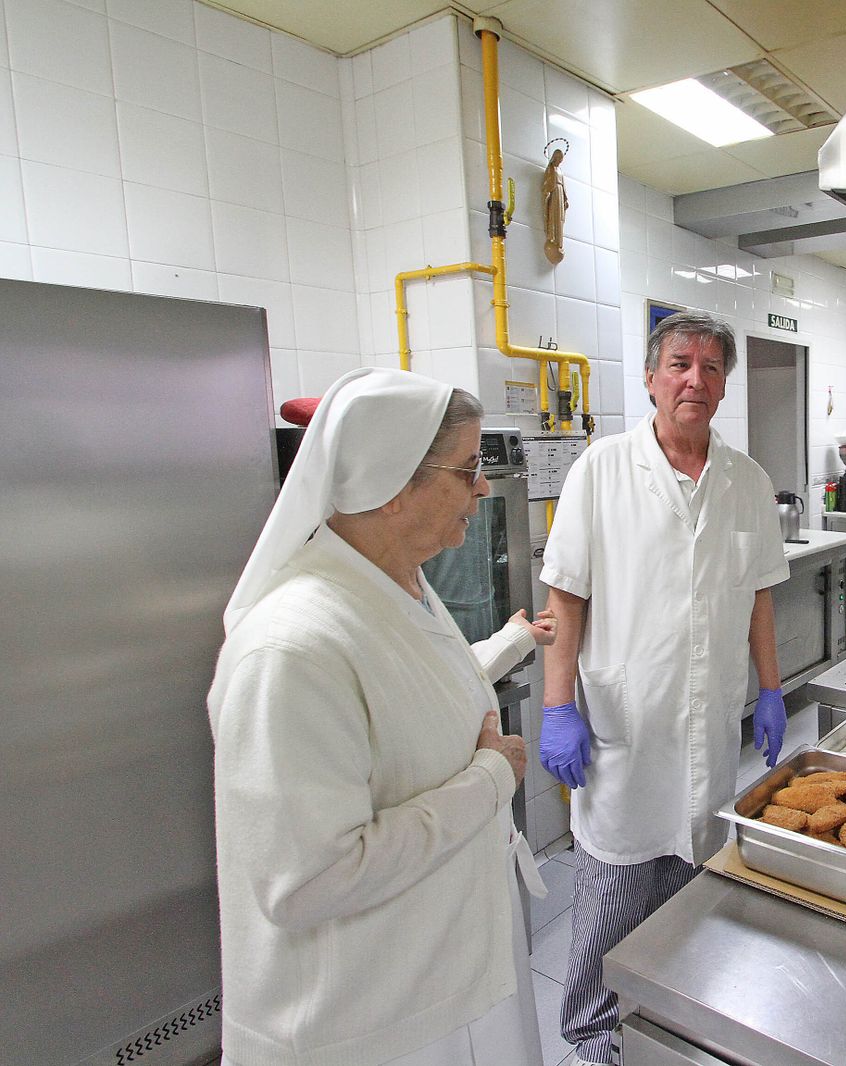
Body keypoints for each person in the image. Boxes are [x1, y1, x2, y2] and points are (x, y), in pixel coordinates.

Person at [208, 368, 556, 1066]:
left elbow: (414, 690)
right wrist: (492, 780)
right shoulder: (290, 649)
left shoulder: (401, 586)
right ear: (394, 484)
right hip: (372, 1024)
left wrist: (512, 640)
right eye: (466, 469)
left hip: (448, 972)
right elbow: (308, 880)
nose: (483, 489)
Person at [538, 310, 789, 1066]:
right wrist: (557, 707)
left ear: (724, 387)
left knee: (686, 910)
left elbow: (760, 596)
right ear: (651, 378)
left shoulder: (747, 482)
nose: (695, 380)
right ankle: (592, 1040)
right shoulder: (601, 472)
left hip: (707, 735)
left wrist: (770, 689)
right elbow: (566, 597)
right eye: (680, 364)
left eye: (712, 368)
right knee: (609, 914)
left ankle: (663, 1034)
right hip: (625, 731)